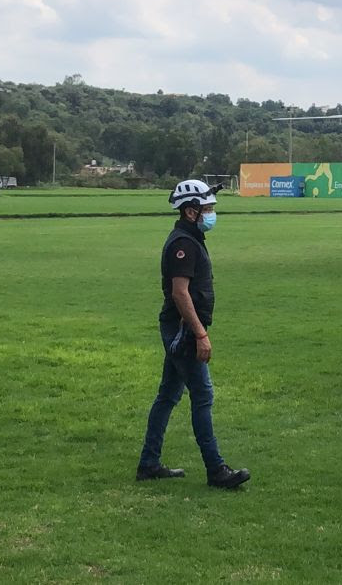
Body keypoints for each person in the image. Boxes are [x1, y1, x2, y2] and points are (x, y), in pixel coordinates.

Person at [137, 180, 251, 489]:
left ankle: (148, 463)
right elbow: (180, 293)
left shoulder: (190, 238)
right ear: (191, 211)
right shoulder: (184, 244)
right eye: (208, 209)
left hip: (180, 328)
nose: (212, 214)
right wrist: (200, 334)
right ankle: (216, 470)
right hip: (183, 330)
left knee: (168, 395)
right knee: (203, 395)